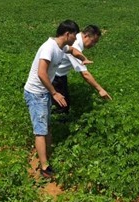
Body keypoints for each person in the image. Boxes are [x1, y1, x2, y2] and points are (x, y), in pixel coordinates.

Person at [24, 20, 92, 178]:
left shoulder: (62, 46)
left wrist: (83, 58)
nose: (76, 39)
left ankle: (45, 154)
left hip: (43, 92)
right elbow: (42, 73)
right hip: (36, 93)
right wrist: (54, 92)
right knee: (40, 130)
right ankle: (44, 167)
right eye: (75, 35)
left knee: (46, 125)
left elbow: (73, 50)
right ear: (67, 34)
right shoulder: (49, 48)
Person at [52, 25, 112, 114]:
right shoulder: (75, 44)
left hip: (60, 75)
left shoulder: (76, 40)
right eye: (93, 41)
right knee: (62, 106)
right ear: (86, 36)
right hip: (54, 76)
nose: (93, 45)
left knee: (62, 102)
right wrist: (100, 89)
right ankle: (57, 123)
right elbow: (85, 74)